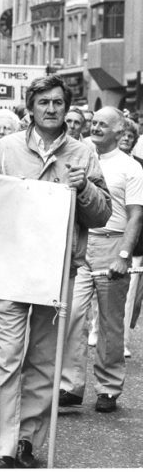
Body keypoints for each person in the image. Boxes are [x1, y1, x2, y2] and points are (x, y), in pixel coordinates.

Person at [0, 75, 111, 468]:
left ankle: (26, 441)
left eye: (58, 103)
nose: (51, 110)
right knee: (7, 358)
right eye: (44, 103)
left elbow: (102, 213)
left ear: (66, 108)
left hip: (57, 273)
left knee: (42, 361)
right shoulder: (3, 149)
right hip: (9, 269)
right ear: (31, 107)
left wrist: (84, 188)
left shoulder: (83, 154)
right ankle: (1, 448)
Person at [59, 107, 143, 414]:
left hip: (113, 244)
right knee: (72, 315)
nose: (95, 127)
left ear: (119, 133)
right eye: (93, 122)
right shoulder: (80, 157)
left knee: (110, 323)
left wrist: (124, 254)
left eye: (102, 125)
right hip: (81, 242)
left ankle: (108, 388)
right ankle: (70, 385)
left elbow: (136, 216)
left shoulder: (131, 167)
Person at [118, 118, 143, 358]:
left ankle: (123, 341)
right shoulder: (97, 160)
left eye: (130, 136)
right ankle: (95, 328)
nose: (126, 138)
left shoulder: (140, 166)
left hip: (135, 243)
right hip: (104, 235)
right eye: (123, 134)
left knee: (129, 295)